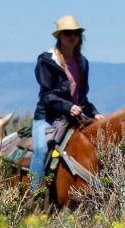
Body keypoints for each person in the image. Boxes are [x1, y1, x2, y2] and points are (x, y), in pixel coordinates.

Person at [29, 15, 104, 190]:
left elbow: (82, 97)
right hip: (48, 117)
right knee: (41, 149)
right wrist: (68, 106)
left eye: (76, 33)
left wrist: (95, 113)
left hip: (75, 117)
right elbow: (47, 95)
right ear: (59, 36)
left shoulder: (83, 62)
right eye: (68, 33)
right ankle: (32, 194)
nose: (72, 37)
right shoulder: (47, 60)